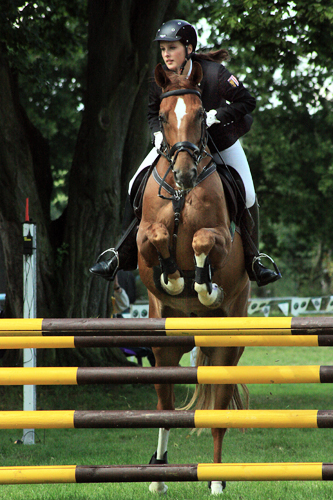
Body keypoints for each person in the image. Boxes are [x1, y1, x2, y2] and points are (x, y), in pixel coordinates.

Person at [90, 19, 281, 287]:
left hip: (218, 143)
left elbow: (248, 102)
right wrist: (157, 133)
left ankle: (254, 258)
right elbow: (151, 113)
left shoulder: (215, 74)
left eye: (172, 48)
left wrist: (218, 115)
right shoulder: (160, 78)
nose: (166, 54)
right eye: (163, 49)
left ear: (188, 48)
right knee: (135, 182)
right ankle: (120, 253)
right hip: (176, 145)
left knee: (247, 192)